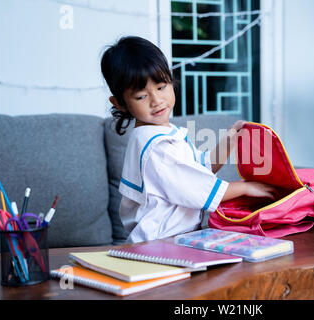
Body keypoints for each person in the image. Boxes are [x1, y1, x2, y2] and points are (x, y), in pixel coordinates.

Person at [101, 36, 276, 242]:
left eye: (161, 87)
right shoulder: (155, 146)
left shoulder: (162, 133)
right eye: (141, 96)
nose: (156, 101)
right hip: (159, 243)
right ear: (120, 103)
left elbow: (202, 168)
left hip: (176, 238)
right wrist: (245, 188)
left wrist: (230, 138)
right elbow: (195, 189)